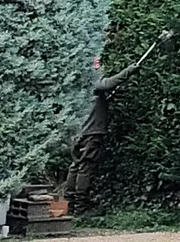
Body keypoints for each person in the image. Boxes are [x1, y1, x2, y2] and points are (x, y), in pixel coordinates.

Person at [65, 30, 173, 204]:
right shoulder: (89, 79)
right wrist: (128, 71)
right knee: (84, 167)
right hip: (90, 132)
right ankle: (79, 205)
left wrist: (105, 100)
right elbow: (106, 83)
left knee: (75, 165)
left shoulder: (73, 81)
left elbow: (98, 95)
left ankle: (67, 201)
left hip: (77, 132)